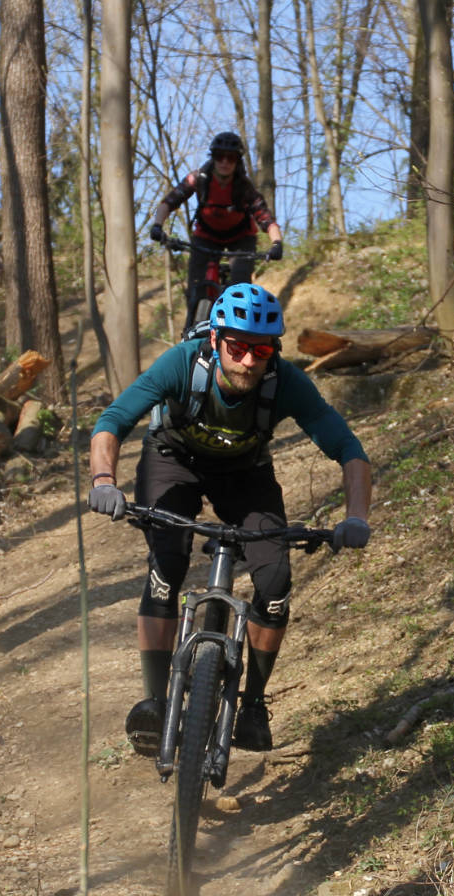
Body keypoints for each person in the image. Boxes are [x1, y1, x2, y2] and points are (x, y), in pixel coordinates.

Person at [87, 282, 372, 756]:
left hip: (245, 472)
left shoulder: (287, 383)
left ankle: (254, 704)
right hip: (172, 460)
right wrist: (102, 481)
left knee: (276, 578)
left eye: (259, 350)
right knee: (166, 566)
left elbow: (349, 450)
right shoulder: (181, 363)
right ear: (216, 341)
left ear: (272, 352)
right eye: (236, 347)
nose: (247, 360)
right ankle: (155, 701)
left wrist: (357, 517)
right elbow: (113, 421)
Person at [146, 131, 286, 319]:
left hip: (240, 240)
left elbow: (267, 219)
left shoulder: (244, 187)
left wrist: (277, 244)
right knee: (195, 288)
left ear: (237, 162)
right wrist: (157, 226)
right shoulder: (198, 179)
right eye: (220, 156)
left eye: (231, 158)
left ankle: (239, 329)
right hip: (206, 236)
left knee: (241, 290)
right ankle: (191, 328)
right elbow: (168, 203)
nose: (225, 162)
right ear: (213, 158)